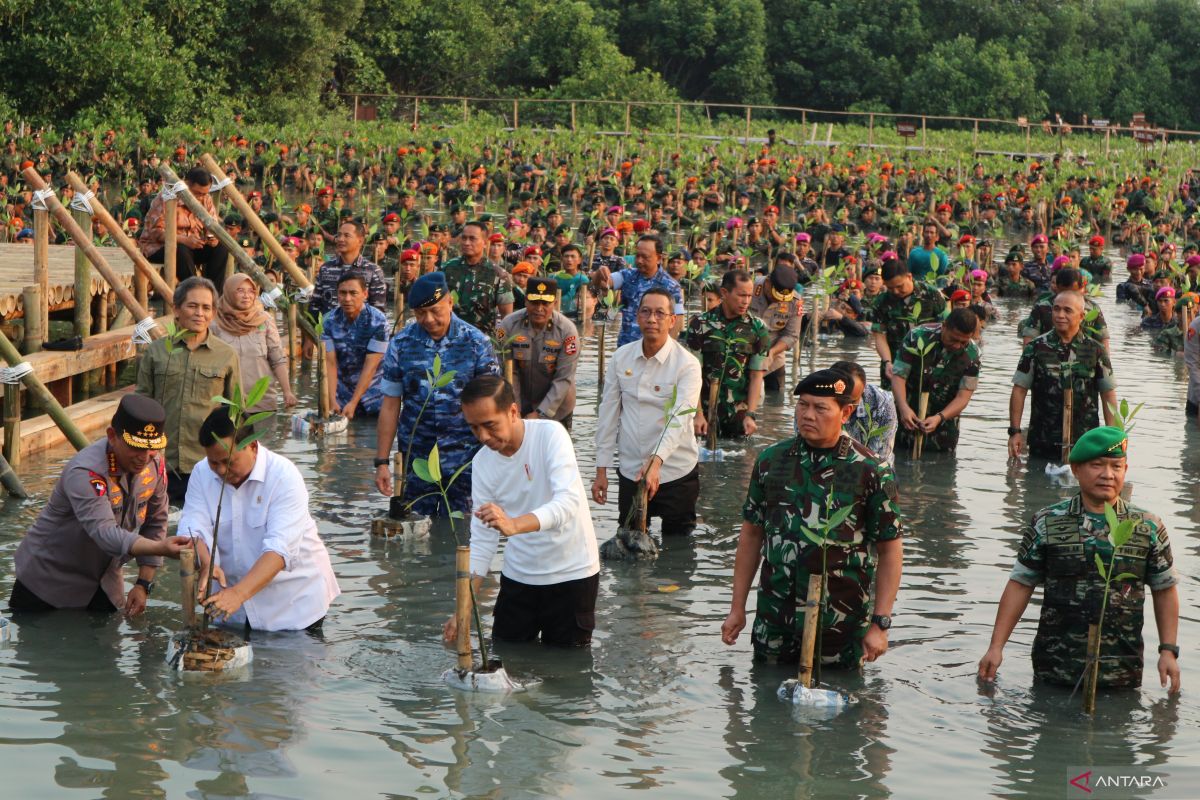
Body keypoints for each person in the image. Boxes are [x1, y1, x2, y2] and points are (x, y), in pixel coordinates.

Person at [721, 369, 903, 668]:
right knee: (765, 701)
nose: (808, 415)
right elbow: (752, 536)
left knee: (843, 706)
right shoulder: (771, 461)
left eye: (820, 408)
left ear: (846, 413)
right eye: (803, 405)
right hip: (775, 618)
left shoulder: (872, 470)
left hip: (840, 622)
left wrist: (880, 624)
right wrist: (737, 608)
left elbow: (890, 550)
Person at [978, 426, 1180, 693]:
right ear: (1075, 469)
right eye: (1097, 465)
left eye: (1116, 467)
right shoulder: (1047, 522)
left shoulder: (1146, 527)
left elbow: (1164, 588)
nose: (1108, 475)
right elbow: (1020, 584)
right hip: (1055, 666)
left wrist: (1168, 651)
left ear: (1125, 470)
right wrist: (996, 647)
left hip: (1121, 668)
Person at [442, 376, 600, 648]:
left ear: (512, 412)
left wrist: (514, 525)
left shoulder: (550, 435)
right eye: (474, 428)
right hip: (519, 577)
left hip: (572, 574)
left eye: (490, 425)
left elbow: (568, 503)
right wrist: (463, 609)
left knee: (567, 672)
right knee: (505, 657)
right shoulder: (481, 464)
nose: (483, 437)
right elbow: (482, 542)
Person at [9, 394, 192, 613]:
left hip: (105, 582)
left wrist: (143, 584)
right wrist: (160, 549)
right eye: (136, 447)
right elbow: (105, 532)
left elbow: (156, 522)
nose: (145, 457)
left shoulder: (155, 466)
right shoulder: (86, 472)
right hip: (47, 584)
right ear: (112, 436)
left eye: (152, 448)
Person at [182, 409, 341, 633]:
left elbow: (279, 550)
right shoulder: (201, 474)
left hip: (292, 606)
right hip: (230, 611)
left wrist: (238, 594)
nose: (221, 471)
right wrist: (207, 563)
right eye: (213, 463)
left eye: (229, 462)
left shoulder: (284, 476)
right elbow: (194, 527)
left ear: (253, 446)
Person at [375, 272, 500, 517]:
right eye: (421, 314)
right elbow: (390, 405)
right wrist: (381, 462)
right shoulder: (401, 344)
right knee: (416, 530)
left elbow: (494, 406)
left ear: (450, 302)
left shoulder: (476, 343)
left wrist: (500, 460)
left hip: (466, 458)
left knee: (464, 529)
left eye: (435, 311)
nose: (429, 320)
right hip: (417, 458)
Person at [592, 288, 701, 537]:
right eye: (646, 312)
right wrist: (601, 470)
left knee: (678, 548)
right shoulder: (621, 357)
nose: (652, 319)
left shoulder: (687, 365)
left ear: (672, 320)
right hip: (631, 469)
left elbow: (680, 418)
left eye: (660, 313)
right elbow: (608, 414)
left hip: (676, 471)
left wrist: (656, 461)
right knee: (630, 541)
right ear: (637, 317)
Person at [136, 276, 240, 503]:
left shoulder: (226, 355)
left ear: (213, 313)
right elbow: (141, 403)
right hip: (161, 461)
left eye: (206, 307)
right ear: (177, 309)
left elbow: (235, 414)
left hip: (206, 463)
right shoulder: (156, 352)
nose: (199, 313)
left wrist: (230, 462)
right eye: (192, 306)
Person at [1009, 291, 1117, 461]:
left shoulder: (1095, 350)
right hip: (1042, 440)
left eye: (1067, 310)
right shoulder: (1036, 348)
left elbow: (1108, 394)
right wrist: (1015, 432)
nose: (1060, 315)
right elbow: (1019, 390)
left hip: (1085, 441)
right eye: (1056, 309)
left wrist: (1113, 437)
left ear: (1081, 316)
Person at [686, 269, 769, 438]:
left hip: (739, 412)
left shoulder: (758, 328)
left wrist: (750, 414)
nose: (746, 301)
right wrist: (698, 414)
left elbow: (756, 376)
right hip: (705, 409)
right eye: (741, 295)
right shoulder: (700, 324)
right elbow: (692, 374)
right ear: (724, 293)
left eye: (749, 296)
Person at [890, 309, 982, 454]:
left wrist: (940, 417)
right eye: (953, 339)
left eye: (963, 342)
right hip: (907, 415)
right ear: (944, 326)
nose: (957, 346)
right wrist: (903, 408)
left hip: (944, 422)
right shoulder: (917, 337)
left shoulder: (972, 354)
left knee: (942, 467)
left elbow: (963, 397)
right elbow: (899, 376)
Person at [497, 278, 579, 426]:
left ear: (554, 303)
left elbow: (563, 378)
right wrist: (516, 409)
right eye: (534, 302)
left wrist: (541, 413)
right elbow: (509, 372)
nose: (539, 308)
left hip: (557, 408)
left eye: (545, 303)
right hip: (520, 402)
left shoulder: (567, 331)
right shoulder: (507, 326)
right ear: (526, 301)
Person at [210, 272, 297, 412]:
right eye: (240, 291)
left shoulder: (264, 319)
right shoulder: (215, 322)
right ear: (229, 292)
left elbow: (277, 358)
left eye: (251, 291)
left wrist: (287, 392)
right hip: (227, 402)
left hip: (262, 400)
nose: (247, 295)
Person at [139, 167, 231, 290]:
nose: (200, 197)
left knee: (221, 248)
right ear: (187, 184)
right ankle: (194, 291)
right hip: (159, 248)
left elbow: (212, 225)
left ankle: (214, 293)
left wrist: (212, 238)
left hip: (191, 247)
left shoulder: (206, 198)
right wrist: (184, 240)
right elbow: (156, 233)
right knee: (180, 249)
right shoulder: (167, 198)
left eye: (204, 193)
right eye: (197, 193)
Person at [591, 234, 685, 347]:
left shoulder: (671, 286)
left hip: (654, 348)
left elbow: (677, 320)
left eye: (645, 257)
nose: (639, 261)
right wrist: (600, 272)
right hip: (626, 346)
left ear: (659, 258)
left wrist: (668, 349)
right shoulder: (627, 276)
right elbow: (602, 283)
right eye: (638, 256)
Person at [322, 273, 389, 418]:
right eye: (342, 293)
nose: (347, 299)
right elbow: (330, 362)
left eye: (353, 293)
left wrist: (354, 402)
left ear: (365, 294)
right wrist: (332, 400)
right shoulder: (329, 322)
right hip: (342, 393)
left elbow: (370, 366)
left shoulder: (378, 321)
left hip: (375, 395)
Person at [871, 258, 947, 384]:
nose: (895, 291)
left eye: (900, 286)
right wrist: (887, 362)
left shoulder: (931, 295)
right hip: (895, 364)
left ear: (909, 277)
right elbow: (880, 337)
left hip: (926, 362)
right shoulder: (881, 302)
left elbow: (945, 328)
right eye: (890, 288)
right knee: (891, 402)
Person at [441, 220, 514, 336]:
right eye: (464, 238)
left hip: (482, 341)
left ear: (485, 243)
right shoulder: (447, 268)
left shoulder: (498, 274)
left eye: (472, 239)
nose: (466, 243)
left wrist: (500, 345)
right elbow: (436, 303)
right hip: (450, 338)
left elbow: (507, 318)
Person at [309, 220, 388, 318]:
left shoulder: (373, 271)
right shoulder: (326, 268)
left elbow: (378, 311)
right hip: (330, 330)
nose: (341, 239)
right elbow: (315, 305)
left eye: (347, 236)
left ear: (360, 241)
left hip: (360, 330)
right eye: (339, 235)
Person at [749, 259, 804, 392]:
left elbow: (791, 335)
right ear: (767, 282)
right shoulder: (750, 287)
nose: (778, 301)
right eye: (775, 296)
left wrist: (772, 353)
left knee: (775, 403)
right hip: (744, 351)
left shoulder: (795, 302)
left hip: (773, 357)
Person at [1018, 268, 1108, 347]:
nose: (1068, 296)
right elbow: (1029, 341)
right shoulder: (1041, 308)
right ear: (1057, 288)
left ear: (1081, 288)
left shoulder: (1092, 309)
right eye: (1064, 292)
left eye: (1072, 292)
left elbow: (1103, 340)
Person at [833, 360, 897, 466]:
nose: (846, 408)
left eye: (852, 402)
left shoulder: (882, 404)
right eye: (840, 401)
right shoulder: (813, 402)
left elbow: (880, 458)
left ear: (862, 391)